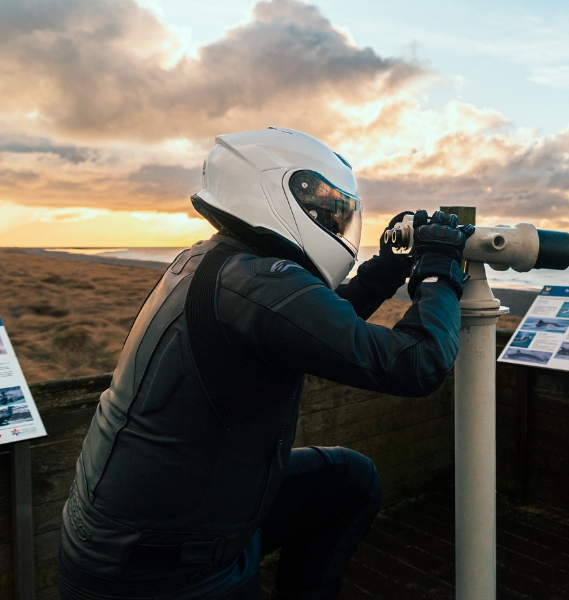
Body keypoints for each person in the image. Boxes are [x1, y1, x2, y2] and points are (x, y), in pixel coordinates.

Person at [56, 127, 474, 600]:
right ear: (281, 192)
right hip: (159, 568)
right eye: (328, 209)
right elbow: (416, 365)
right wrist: (440, 271)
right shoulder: (257, 284)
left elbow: (319, 327)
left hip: (140, 532)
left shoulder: (219, 261)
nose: (336, 223)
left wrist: (387, 267)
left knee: (348, 483)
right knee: (347, 484)